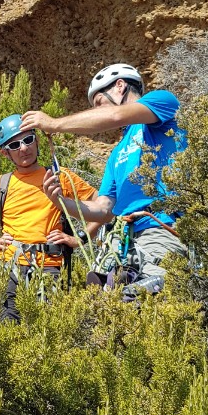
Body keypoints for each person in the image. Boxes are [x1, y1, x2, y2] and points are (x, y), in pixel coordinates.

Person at [21, 62, 188, 296]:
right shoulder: (117, 153)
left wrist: (55, 124)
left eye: (99, 103)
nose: (97, 112)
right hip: (123, 242)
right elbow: (103, 208)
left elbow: (115, 114)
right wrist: (61, 203)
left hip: (160, 227)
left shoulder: (161, 101)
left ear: (120, 86)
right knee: (107, 309)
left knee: (137, 300)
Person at [0, 114, 99, 323]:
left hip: (50, 267)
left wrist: (79, 240)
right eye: (15, 144)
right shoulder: (1, 184)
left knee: (50, 335)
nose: (23, 148)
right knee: (6, 333)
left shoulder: (59, 177)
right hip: (10, 268)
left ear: (37, 140)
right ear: (5, 153)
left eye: (28, 139)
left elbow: (102, 205)